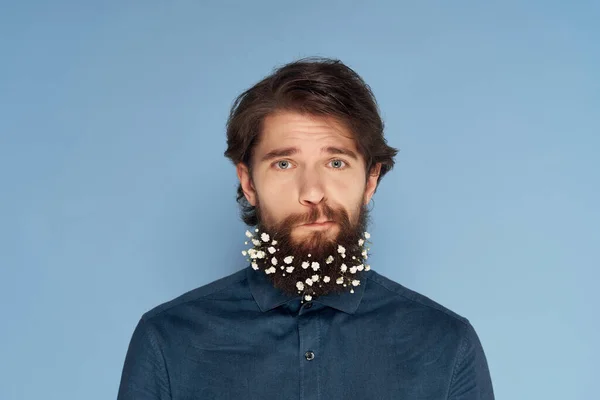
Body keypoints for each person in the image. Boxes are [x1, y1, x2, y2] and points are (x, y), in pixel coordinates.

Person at [117, 57, 495, 399]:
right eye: (284, 164)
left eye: (336, 163)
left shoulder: (445, 344)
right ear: (249, 183)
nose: (312, 192)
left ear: (370, 180)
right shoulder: (168, 340)